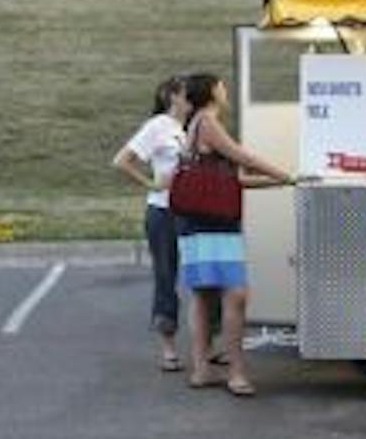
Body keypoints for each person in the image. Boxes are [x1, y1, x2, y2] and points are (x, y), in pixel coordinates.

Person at [173, 72, 295, 397]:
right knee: (235, 294)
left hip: (195, 220)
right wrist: (286, 174)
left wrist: (281, 183)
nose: (225, 90)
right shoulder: (208, 122)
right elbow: (246, 160)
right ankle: (236, 372)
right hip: (215, 223)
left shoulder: (196, 122)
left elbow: (233, 178)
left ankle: (202, 368)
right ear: (212, 92)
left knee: (203, 294)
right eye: (222, 86)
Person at [113, 76, 190, 373]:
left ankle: (209, 343)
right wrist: (152, 184)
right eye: (186, 94)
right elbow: (122, 161)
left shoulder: (188, 127)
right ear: (172, 97)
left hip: (191, 211)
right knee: (166, 276)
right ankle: (169, 347)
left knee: (201, 275)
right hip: (164, 213)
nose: (191, 99)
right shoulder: (158, 126)